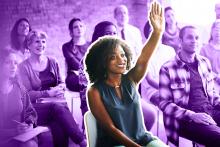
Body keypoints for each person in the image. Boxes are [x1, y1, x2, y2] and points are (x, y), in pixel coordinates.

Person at [85, 2, 167, 147]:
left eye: (123, 55)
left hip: (142, 138)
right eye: (113, 57)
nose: (121, 60)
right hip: (114, 143)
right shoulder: (94, 91)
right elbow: (111, 129)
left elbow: (143, 58)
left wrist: (157, 32)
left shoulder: (130, 79)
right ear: (103, 62)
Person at [18, 30, 86, 147]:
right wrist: (48, 93)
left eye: (43, 41)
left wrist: (60, 88)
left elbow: (61, 82)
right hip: (34, 110)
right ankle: (82, 141)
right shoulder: (23, 67)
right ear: (29, 45)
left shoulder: (53, 61)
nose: (41, 45)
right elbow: (27, 94)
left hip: (55, 107)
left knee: (58, 125)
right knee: (57, 109)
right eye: (37, 42)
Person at [159, 25, 220, 146]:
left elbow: (211, 93)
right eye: (190, 37)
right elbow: (164, 104)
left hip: (209, 110)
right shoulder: (168, 68)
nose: (194, 41)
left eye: (197, 38)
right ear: (180, 41)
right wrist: (192, 115)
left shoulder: (204, 62)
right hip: (185, 120)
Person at [0, 49, 37, 147]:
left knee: (30, 145)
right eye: (8, 62)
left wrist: (29, 122)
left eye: (15, 63)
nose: (13, 67)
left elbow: (30, 111)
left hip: (21, 136)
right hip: (3, 139)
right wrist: (13, 132)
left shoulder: (19, 87)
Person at [62, 18, 90, 118]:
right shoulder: (66, 46)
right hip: (74, 77)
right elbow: (74, 64)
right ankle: (86, 115)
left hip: (89, 76)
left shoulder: (91, 44)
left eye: (81, 26)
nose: (79, 28)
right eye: (75, 27)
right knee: (86, 85)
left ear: (84, 28)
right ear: (71, 31)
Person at [200, 20, 220, 93]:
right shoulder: (204, 49)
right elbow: (202, 68)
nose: (218, 32)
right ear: (211, 31)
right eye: (216, 29)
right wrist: (216, 77)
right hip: (210, 82)